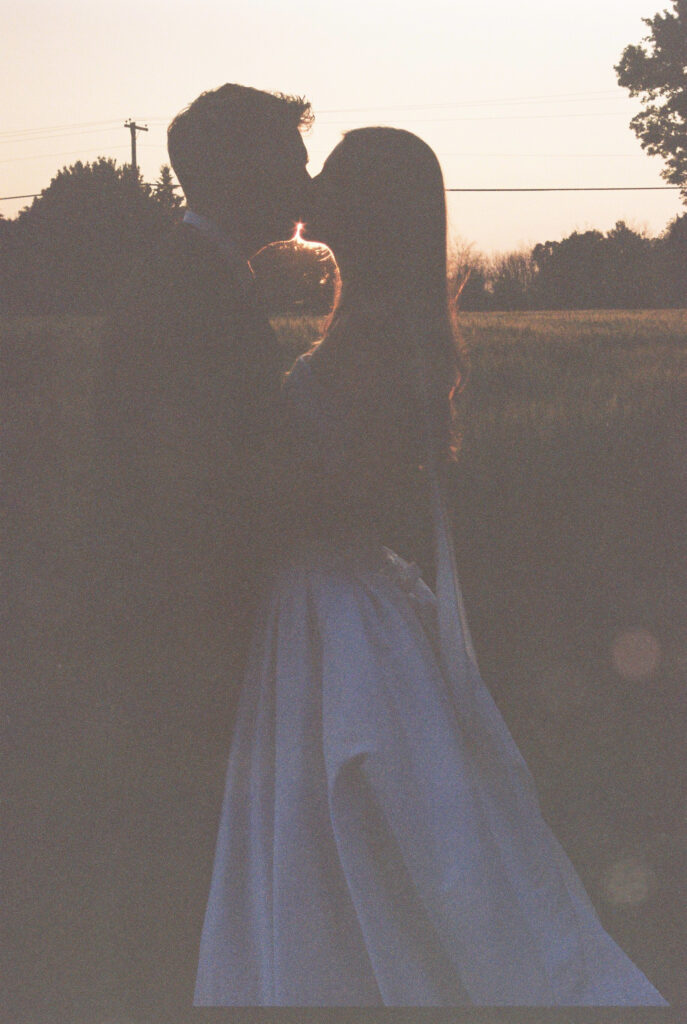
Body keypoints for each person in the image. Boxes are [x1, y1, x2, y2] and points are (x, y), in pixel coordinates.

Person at [193, 127, 668, 1006]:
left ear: (369, 207)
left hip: (332, 604)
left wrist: (239, 481)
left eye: (334, 167)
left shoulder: (375, 340)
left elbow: (359, 493)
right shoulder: (372, 323)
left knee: (364, 818)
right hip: (321, 603)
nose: (313, 177)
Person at [96, 84, 312, 1017]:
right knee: (192, 849)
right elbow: (192, 486)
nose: (306, 173)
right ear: (239, 170)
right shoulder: (185, 289)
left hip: (192, 618)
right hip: (188, 628)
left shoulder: (197, 272)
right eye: (290, 155)